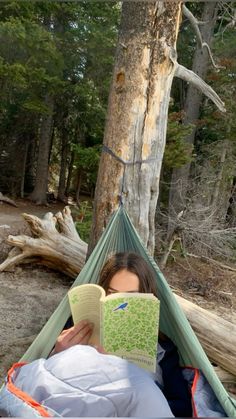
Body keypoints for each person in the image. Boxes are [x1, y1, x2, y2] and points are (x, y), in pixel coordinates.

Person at [54, 252, 193, 417]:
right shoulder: (78, 328)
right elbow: (55, 385)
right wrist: (59, 354)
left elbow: (182, 406)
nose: (120, 303)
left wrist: (136, 401)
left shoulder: (164, 350)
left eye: (131, 296)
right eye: (112, 294)